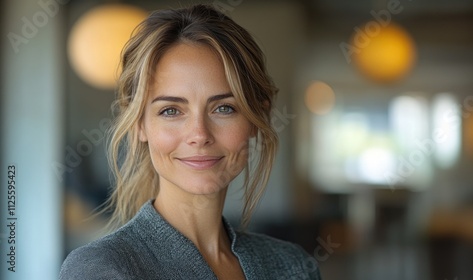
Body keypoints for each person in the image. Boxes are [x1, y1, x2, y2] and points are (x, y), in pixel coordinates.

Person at [60, 4, 321, 280]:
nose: (199, 134)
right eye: (171, 110)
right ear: (139, 123)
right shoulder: (102, 269)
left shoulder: (294, 267)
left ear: (257, 118)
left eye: (224, 108)